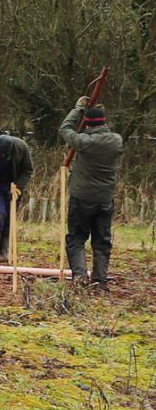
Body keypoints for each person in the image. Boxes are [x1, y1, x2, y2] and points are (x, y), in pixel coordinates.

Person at [61, 97, 123, 287]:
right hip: (105, 198)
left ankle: (79, 278)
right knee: (102, 240)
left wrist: (78, 108)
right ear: (104, 123)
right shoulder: (116, 141)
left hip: (81, 198)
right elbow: (101, 132)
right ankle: (100, 280)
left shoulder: (84, 141)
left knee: (76, 238)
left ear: (87, 125)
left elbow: (65, 129)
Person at [0, 131, 34, 263]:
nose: (4, 155)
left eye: (6, 153)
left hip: (13, 185)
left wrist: (18, 188)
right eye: (1, 154)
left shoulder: (21, 147)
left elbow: (27, 169)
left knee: (10, 217)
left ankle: (4, 249)